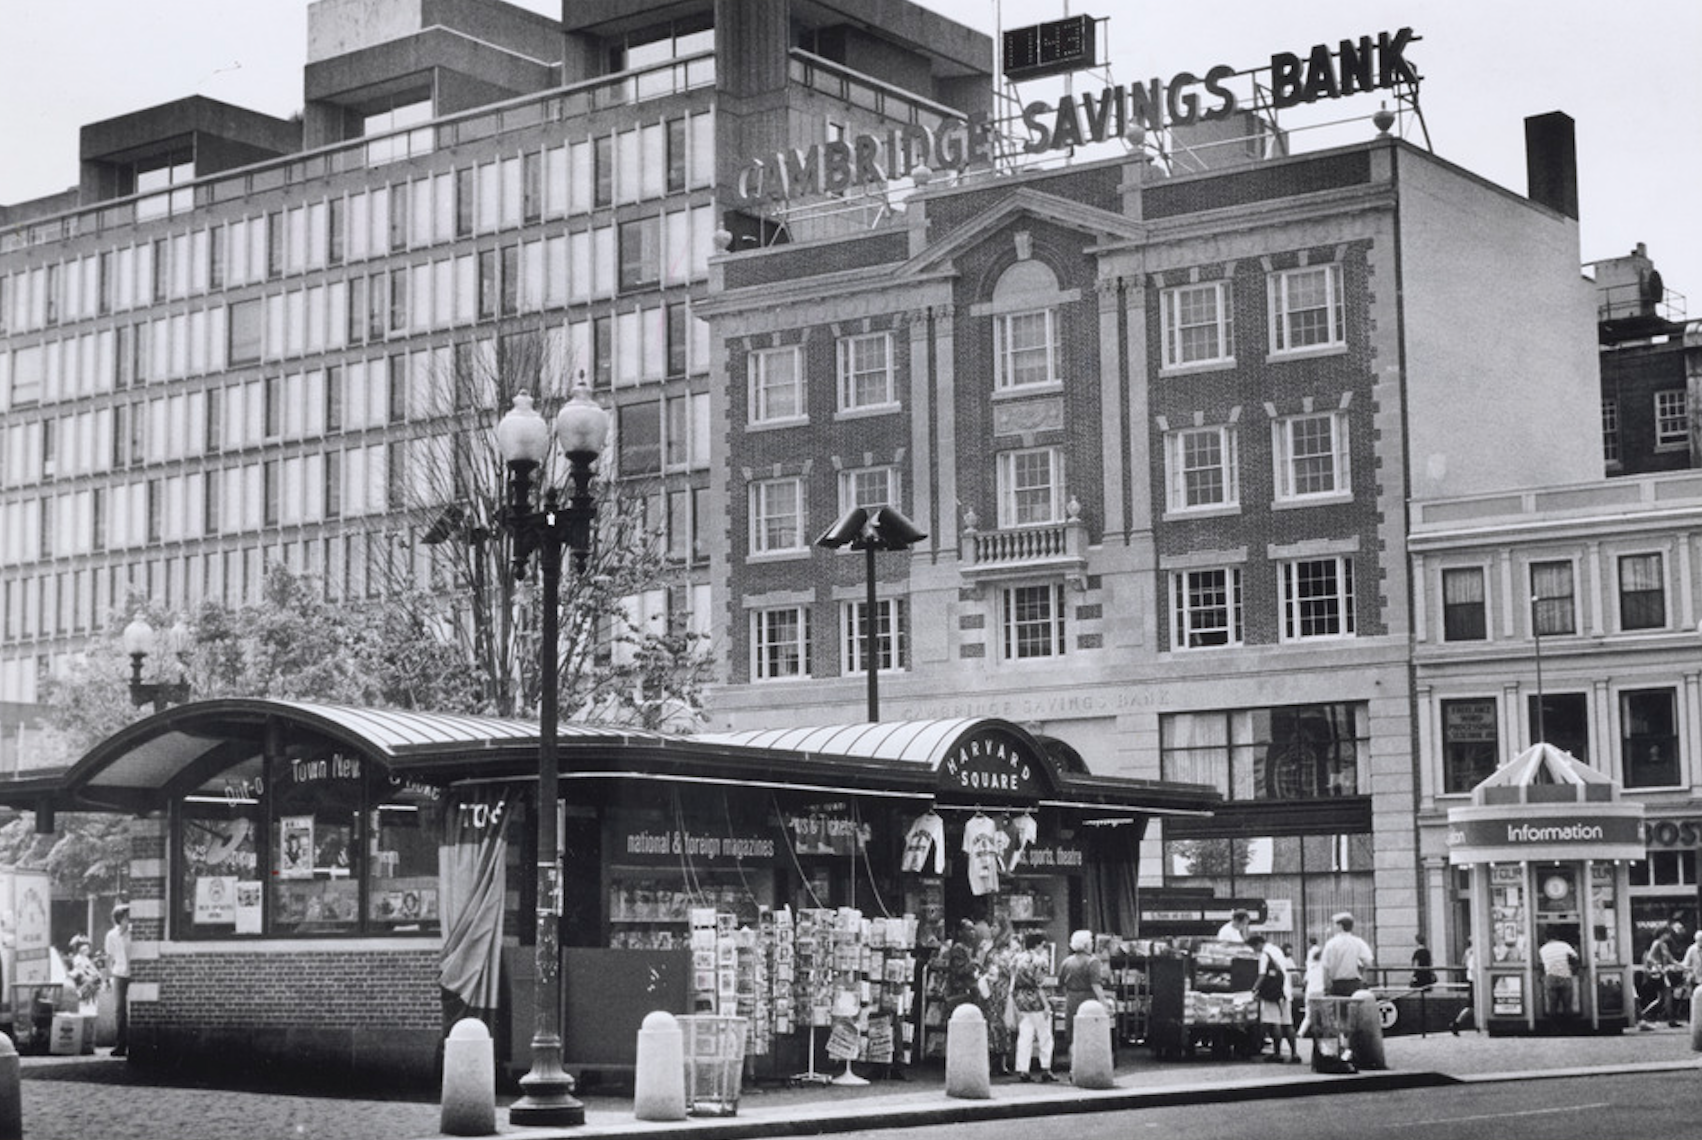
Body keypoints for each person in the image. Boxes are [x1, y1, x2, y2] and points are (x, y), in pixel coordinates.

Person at [1009, 932, 1056, 1082]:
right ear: (1037, 945)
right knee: (1045, 1035)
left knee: (1025, 1035)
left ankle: (1023, 1069)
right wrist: (1046, 1004)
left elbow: (1012, 979)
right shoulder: (1040, 961)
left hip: (1021, 999)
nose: (1043, 948)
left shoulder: (1017, 958)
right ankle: (1046, 1068)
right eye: (1042, 945)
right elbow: (1039, 985)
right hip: (1036, 1001)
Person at [1248, 932, 1301, 1063]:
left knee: (1274, 1023)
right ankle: (1294, 1053)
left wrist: (1254, 989)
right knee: (1288, 1023)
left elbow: (1262, 975)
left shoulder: (1264, 955)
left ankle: (1277, 1053)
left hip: (1272, 994)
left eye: (1254, 948)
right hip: (1285, 991)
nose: (1255, 951)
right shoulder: (1276, 949)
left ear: (1258, 944)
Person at [1057, 929, 1111, 1055]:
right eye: (1091, 942)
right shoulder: (1093, 962)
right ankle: (1088, 1064)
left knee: (1073, 1034)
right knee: (1090, 1033)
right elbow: (1096, 985)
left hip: (1071, 999)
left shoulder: (1066, 962)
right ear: (1086, 945)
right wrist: (1104, 1003)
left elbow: (1061, 983)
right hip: (1089, 1000)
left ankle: (1073, 1067)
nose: (1092, 945)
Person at [1320, 912, 1374, 997]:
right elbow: (1368, 962)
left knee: (1338, 1009)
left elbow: (1325, 966)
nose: (1333, 927)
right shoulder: (1358, 942)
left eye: (1334, 925)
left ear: (1340, 926)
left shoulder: (1331, 944)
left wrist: (1326, 986)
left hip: (1337, 984)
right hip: (1354, 983)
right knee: (1354, 1008)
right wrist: (1361, 971)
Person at [1642, 925, 1684, 1028]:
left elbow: (1671, 959)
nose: (1669, 936)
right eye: (1668, 933)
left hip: (1663, 974)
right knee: (1667, 995)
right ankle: (1671, 1020)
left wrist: (1682, 966)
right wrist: (1658, 966)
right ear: (1663, 934)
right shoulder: (1657, 943)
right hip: (1660, 974)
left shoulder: (1664, 945)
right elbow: (1650, 958)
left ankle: (1643, 1015)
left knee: (1661, 999)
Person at [104, 903, 131, 1057]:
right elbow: (109, 957)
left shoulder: (134, 933)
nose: (129, 920)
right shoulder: (111, 935)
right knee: (120, 1009)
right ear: (120, 919)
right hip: (119, 973)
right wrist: (107, 978)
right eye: (127, 917)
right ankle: (121, 1044)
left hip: (134, 974)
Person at [1538, 930, 1580, 1018]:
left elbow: (1541, 965)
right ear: (1557, 937)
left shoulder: (1542, 949)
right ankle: (1568, 1027)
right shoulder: (1564, 945)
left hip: (1550, 977)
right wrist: (1573, 969)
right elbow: (1576, 958)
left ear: (1546, 938)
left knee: (1552, 1005)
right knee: (1567, 1005)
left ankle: (1554, 1028)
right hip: (1565, 976)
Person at [1296, 942, 1326, 1038]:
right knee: (1323, 1015)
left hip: (1310, 992)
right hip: (1321, 992)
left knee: (1308, 1016)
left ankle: (1300, 1033)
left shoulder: (1310, 966)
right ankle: (1323, 1034)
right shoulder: (1323, 967)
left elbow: (1305, 981)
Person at [66, 935, 102, 1006]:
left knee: (94, 980)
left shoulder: (86, 958)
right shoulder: (77, 958)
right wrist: (89, 974)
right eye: (86, 950)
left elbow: (91, 967)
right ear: (82, 951)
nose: (88, 951)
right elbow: (81, 969)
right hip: (78, 974)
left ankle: (88, 996)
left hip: (84, 973)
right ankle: (79, 991)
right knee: (89, 980)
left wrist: (97, 973)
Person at [1451, 937, 1477, 1035]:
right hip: (1475, 980)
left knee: (1471, 1005)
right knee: (1471, 1005)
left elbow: (1463, 963)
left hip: (1470, 979)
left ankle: (1457, 1023)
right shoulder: (1475, 951)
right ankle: (1457, 1023)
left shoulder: (1468, 952)